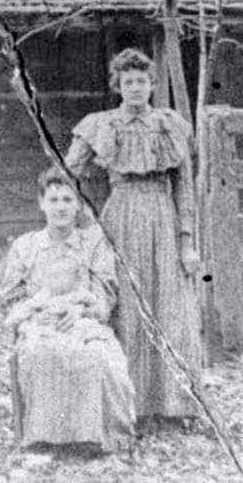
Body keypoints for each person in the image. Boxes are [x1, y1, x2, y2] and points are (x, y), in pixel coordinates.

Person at [64, 47, 201, 423]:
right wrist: (84, 220)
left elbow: (184, 186)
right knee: (124, 303)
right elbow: (67, 172)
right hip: (120, 216)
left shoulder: (170, 124)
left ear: (152, 84)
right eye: (128, 82)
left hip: (163, 216)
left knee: (169, 306)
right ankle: (128, 404)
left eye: (142, 81)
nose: (136, 88)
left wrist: (187, 241)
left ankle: (173, 405)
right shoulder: (101, 124)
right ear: (118, 86)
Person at [0, 166, 135, 454]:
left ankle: (92, 437)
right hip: (39, 322)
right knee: (39, 351)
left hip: (85, 320)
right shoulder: (26, 246)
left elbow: (105, 291)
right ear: (41, 203)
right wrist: (34, 314)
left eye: (68, 200)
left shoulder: (94, 243)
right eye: (54, 200)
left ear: (79, 204)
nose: (61, 207)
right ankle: (45, 437)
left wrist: (82, 312)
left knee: (97, 355)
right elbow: (11, 297)